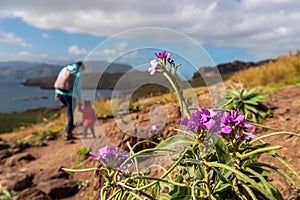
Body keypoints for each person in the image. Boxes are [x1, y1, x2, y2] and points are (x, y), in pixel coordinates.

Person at [54, 61, 84, 140]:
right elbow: (78, 89)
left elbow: (58, 81)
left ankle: (70, 126)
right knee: (71, 114)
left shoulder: (65, 69)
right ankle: (68, 132)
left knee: (69, 111)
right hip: (70, 96)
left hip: (61, 94)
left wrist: (56, 93)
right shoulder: (78, 74)